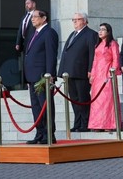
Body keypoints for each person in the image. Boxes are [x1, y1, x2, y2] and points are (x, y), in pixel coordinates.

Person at [57, 11, 97, 132]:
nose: (75, 21)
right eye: (73, 19)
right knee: (74, 99)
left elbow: (92, 54)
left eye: (78, 19)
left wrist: (90, 69)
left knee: (82, 98)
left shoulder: (91, 34)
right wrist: (61, 70)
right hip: (69, 72)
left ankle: (85, 123)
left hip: (81, 72)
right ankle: (78, 123)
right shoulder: (72, 34)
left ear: (84, 21)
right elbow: (66, 52)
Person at [23, 9, 58, 144]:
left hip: (43, 77)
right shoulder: (34, 33)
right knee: (36, 107)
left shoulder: (49, 33)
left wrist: (49, 75)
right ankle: (39, 133)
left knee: (45, 105)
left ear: (44, 18)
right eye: (32, 17)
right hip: (32, 77)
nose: (32, 19)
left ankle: (49, 134)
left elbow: (51, 55)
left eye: (35, 17)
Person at [88, 23, 122, 131]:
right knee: (97, 100)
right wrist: (92, 74)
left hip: (107, 73)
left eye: (103, 29)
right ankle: (97, 124)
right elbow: (94, 61)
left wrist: (112, 73)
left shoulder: (113, 44)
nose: (100, 31)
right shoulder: (97, 45)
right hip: (97, 75)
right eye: (100, 29)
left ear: (108, 32)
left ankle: (109, 124)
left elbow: (116, 59)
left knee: (107, 99)